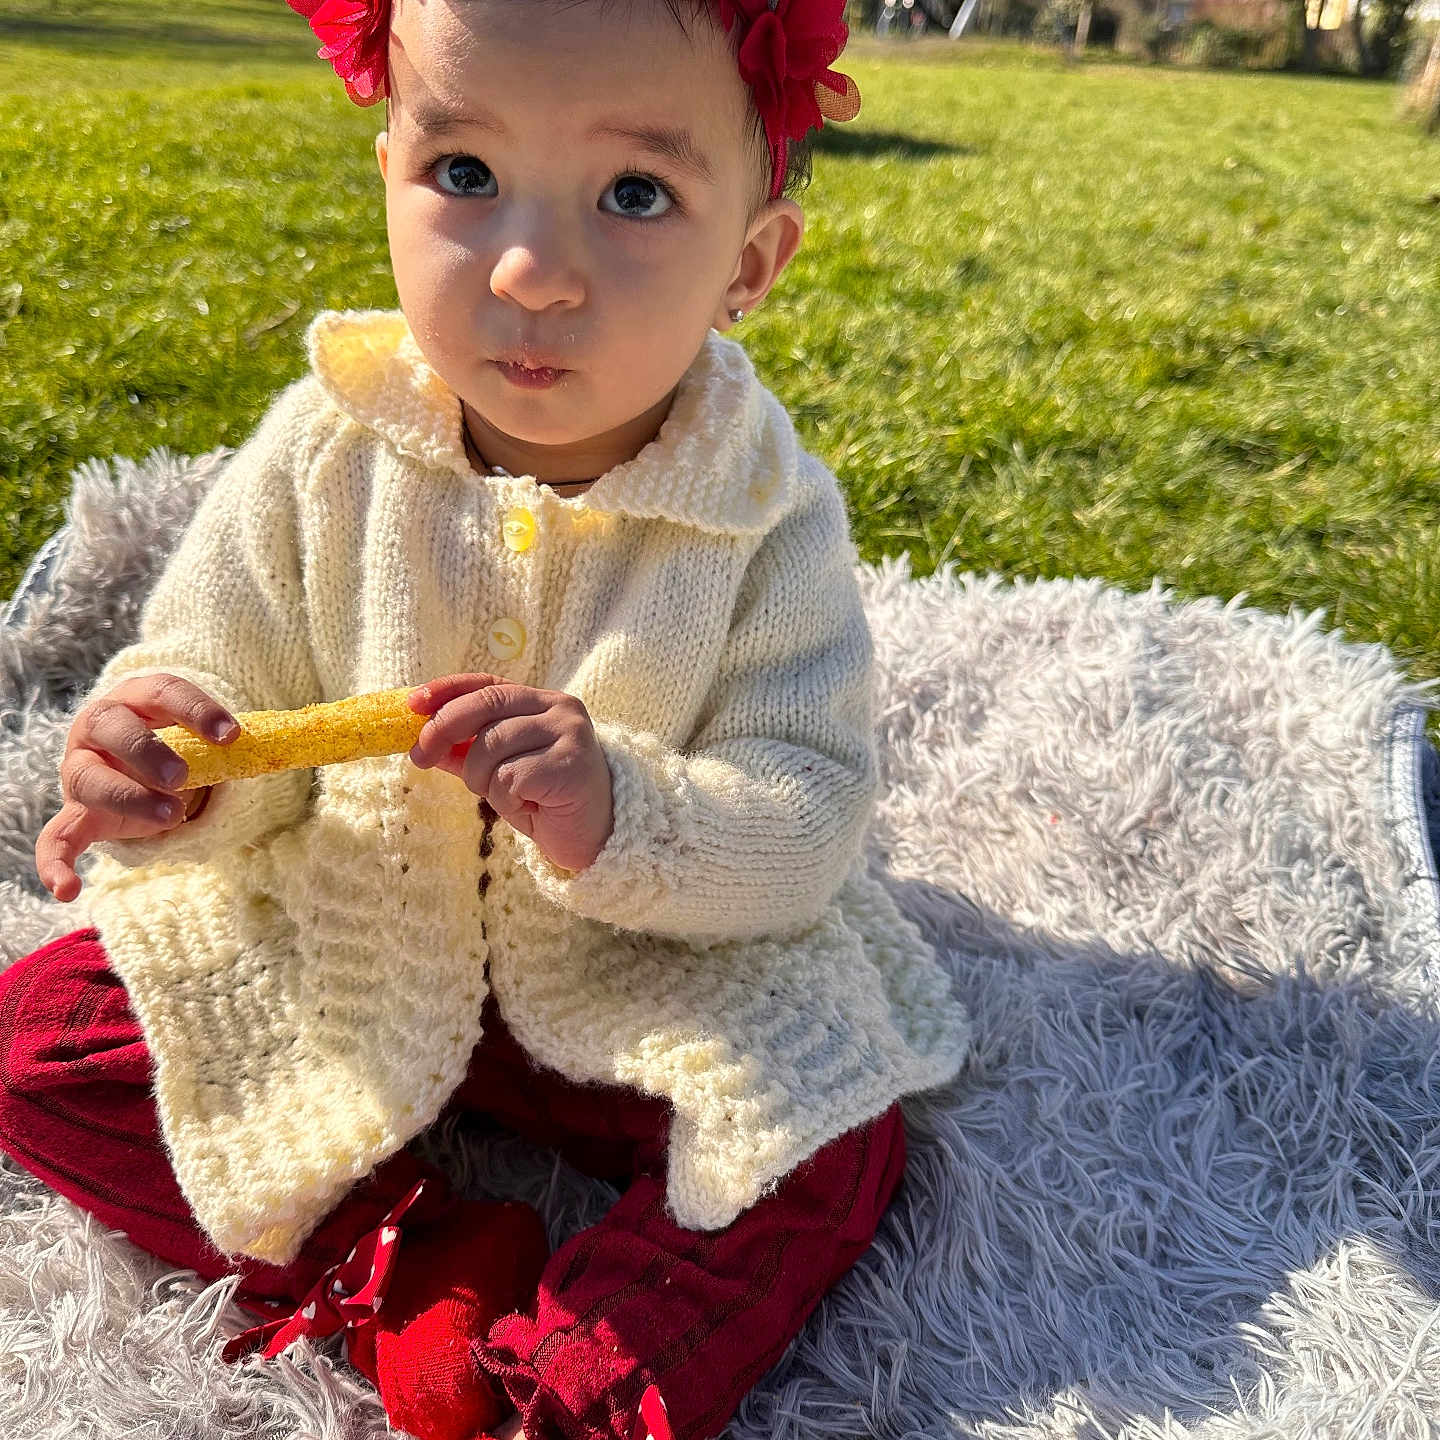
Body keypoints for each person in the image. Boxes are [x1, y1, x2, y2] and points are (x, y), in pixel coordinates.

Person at [0, 1, 972, 1438]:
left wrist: (624, 812)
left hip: (642, 971)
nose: (532, 270)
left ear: (749, 263)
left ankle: (591, 1372)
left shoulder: (762, 519)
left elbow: (808, 807)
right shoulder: (325, 455)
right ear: (386, 166)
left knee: (831, 1126)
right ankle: (399, 1258)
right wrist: (168, 755)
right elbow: (215, 668)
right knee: (39, 1036)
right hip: (352, 930)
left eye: (634, 195)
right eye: (464, 176)